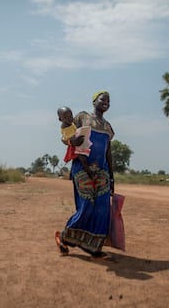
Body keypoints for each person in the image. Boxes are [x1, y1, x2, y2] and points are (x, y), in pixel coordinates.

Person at [55, 90, 115, 260]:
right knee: (87, 205)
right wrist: (70, 141)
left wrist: (112, 175)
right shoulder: (82, 117)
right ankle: (65, 236)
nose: (107, 102)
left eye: (109, 101)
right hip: (82, 168)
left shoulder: (108, 127)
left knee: (103, 209)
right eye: (103, 99)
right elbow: (66, 132)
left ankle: (94, 248)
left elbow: (108, 153)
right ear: (94, 101)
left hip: (102, 170)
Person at [57, 106, 93, 180]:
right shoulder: (64, 126)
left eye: (70, 116)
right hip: (73, 146)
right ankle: (90, 174)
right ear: (60, 119)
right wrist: (74, 140)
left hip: (77, 143)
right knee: (83, 159)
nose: (69, 118)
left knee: (83, 158)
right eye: (66, 117)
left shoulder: (71, 123)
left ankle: (71, 175)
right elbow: (65, 138)